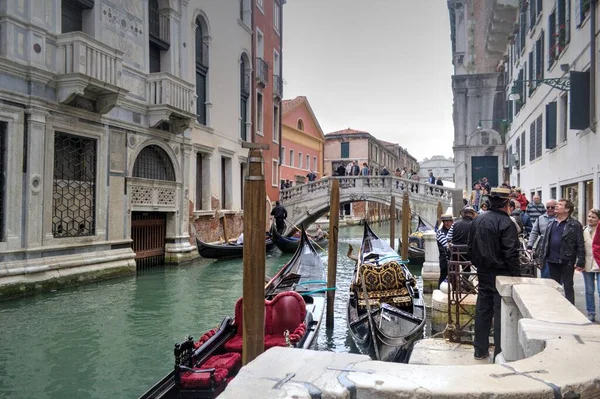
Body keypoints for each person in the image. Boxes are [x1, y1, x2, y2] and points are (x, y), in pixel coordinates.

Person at [468, 187, 520, 360]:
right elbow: (511, 253)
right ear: (506, 203)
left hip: (483, 272)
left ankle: (480, 351)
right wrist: (516, 276)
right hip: (502, 274)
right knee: (500, 313)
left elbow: (470, 249)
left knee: (482, 310)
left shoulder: (477, 220)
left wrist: (479, 264)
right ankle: (500, 352)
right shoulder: (507, 223)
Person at [539, 199, 585, 305]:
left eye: (560, 205)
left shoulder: (575, 225)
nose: (556, 206)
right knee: (554, 285)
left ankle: (570, 308)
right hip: (551, 259)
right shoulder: (551, 223)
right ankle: (555, 305)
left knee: (568, 285)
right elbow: (545, 242)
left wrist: (580, 261)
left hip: (567, 260)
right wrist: (542, 258)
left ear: (567, 209)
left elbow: (580, 244)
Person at [527, 199, 557, 278]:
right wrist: (530, 246)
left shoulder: (560, 219)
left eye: (552, 207)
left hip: (556, 250)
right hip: (543, 248)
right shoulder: (540, 219)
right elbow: (534, 232)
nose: (550, 209)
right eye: (548, 207)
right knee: (545, 271)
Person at [580, 209, 600, 322]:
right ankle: (591, 312)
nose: (590, 219)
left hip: (599, 262)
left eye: (593, 217)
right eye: (589, 216)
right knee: (589, 290)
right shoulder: (584, 230)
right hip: (587, 263)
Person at [436, 214, 454, 288]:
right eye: (445, 221)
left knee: (453, 275)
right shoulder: (440, 233)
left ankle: (453, 290)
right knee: (443, 275)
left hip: (452, 257)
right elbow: (446, 245)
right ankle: (439, 289)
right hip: (444, 258)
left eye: (449, 221)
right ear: (443, 222)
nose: (447, 223)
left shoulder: (453, 231)